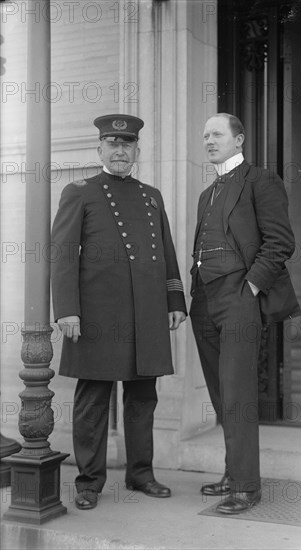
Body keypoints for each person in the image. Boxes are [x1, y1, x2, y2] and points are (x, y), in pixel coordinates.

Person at [51, 114, 187, 510]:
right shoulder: (80, 191)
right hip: (96, 316)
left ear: (137, 150)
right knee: (93, 401)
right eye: (112, 144)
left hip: (146, 314)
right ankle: (89, 482)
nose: (120, 151)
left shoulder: (151, 196)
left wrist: (175, 300)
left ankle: (141, 474)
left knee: (143, 397)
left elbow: (166, 252)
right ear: (100, 149)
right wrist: (67, 310)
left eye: (127, 145)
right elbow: (62, 256)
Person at [190, 113, 300, 515]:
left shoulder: (261, 181)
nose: (209, 141)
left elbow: (280, 242)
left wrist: (250, 287)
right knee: (222, 396)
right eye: (205, 136)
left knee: (237, 395)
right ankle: (232, 474)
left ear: (239, 140)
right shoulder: (208, 193)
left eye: (217, 134)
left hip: (238, 297)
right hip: (204, 300)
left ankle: (247, 487)